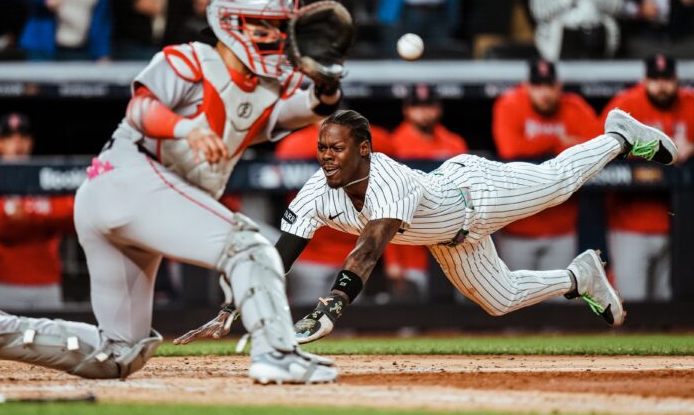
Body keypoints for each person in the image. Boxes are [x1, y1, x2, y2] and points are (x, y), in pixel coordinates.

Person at [0, 0, 344, 385]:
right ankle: (276, 353)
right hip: (132, 179)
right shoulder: (191, 59)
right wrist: (186, 129)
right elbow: (141, 109)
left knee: (117, 353)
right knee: (249, 246)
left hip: (130, 201)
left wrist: (326, 84)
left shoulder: (267, 89)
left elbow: (307, 109)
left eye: (281, 27)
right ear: (231, 24)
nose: (278, 36)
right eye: (267, 26)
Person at [181, 107, 679, 345]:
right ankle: (578, 278)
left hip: (475, 195)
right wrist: (233, 304)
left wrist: (330, 307)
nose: (327, 157)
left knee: (557, 181)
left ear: (364, 149)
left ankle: (618, 135)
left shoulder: (388, 177)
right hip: (449, 238)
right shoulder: (317, 190)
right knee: (499, 299)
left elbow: (369, 248)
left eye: (336, 148)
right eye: (322, 148)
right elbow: (281, 251)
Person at [492, 59, 601, 273]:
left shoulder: (574, 107)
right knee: (518, 301)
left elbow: (596, 145)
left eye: (549, 85)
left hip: (562, 229)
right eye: (538, 86)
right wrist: (558, 142)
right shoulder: (510, 104)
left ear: (558, 86)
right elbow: (510, 149)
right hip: (518, 228)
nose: (544, 92)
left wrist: (538, 145)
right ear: (528, 86)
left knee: (559, 302)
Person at [601, 54, 694, 301]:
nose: (660, 86)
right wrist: (662, 153)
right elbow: (599, 149)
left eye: (666, 79)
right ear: (644, 80)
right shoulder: (625, 105)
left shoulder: (690, 102)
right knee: (631, 300)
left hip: (678, 228)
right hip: (629, 225)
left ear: (677, 80)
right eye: (654, 79)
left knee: (669, 306)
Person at [275, 119, 397, 305]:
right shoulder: (295, 144)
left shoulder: (378, 140)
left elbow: (394, 196)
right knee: (307, 320)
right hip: (312, 253)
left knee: (345, 321)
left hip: (356, 250)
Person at [0, 113, 74, 309]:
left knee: (50, 340)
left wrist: (25, 216)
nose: (17, 143)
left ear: (31, 142)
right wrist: (46, 219)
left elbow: (70, 218)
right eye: (9, 137)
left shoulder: (47, 176)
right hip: (1, 284)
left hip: (47, 284)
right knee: (1, 341)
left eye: (23, 137)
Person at [389, 84, 468, 300]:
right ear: (407, 109)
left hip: (452, 246)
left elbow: (468, 195)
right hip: (411, 249)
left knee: (452, 320)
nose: (424, 112)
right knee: (410, 323)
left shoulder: (454, 143)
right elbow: (385, 204)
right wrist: (393, 260)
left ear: (438, 108)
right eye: (417, 106)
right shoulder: (393, 144)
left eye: (429, 106)